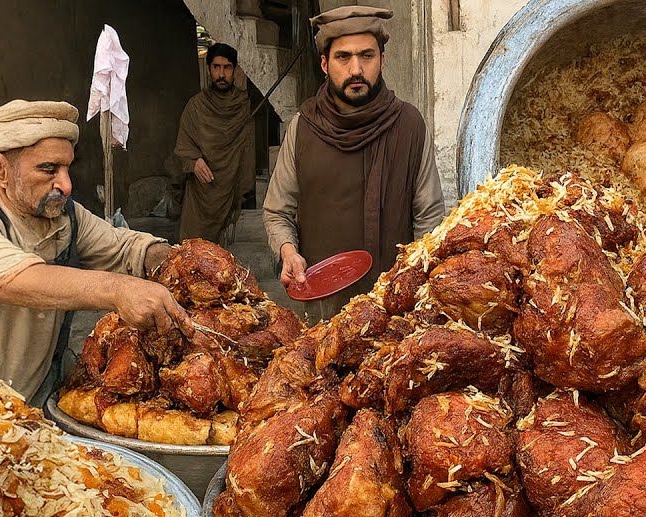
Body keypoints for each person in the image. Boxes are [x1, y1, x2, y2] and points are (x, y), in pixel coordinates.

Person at [0, 99, 183, 404]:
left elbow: (122, 247)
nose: (66, 185)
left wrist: (179, 261)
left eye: (68, 168)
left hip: (36, 403)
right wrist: (117, 289)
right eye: (48, 169)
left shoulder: (66, 216)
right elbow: (13, 281)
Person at [263, 4, 445, 318]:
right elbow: (278, 212)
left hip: (393, 313)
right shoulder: (303, 128)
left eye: (367, 56)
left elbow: (430, 224)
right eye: (343, 57)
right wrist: (288, 251)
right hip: (320, 312)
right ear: (324, 63)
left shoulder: (410, 126)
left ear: (383, 60)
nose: (356, 70)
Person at [174, 42, 255, 244]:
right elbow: (184, 145)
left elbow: (247, 150)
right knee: (192, 251)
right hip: (201, 193)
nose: (221, 74)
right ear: (208, 68)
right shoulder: (196, 106)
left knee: (225, 261)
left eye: (227, 67)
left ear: (234, 70)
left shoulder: (243, 106)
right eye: (216, 67)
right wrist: (194, 162)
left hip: (231, 188)